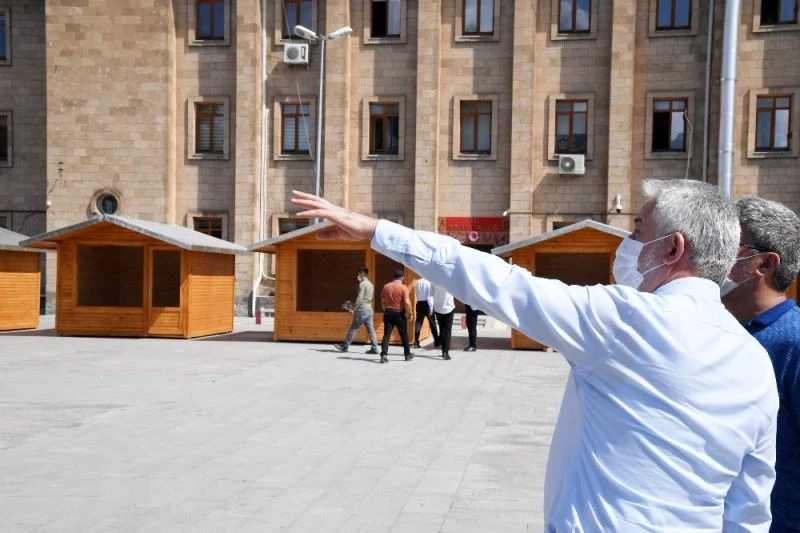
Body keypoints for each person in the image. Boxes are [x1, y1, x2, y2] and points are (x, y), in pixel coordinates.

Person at [292, 180, 778, 531]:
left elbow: (500, 283)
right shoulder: (754, 361)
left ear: (672, 248)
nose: (627, 243)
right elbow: (749, 509)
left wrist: (378, 229)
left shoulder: (626, 322)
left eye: (636, 228)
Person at [721, 196, 800, 531]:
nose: (712, 254)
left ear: (765, 264)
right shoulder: (718, 333)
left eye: (726, 244)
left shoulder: (792, 342)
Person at [334, 266, 379, 355]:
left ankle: (345, 346)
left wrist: (353, 308)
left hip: (362, 310)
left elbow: (360, 297)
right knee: (371, 330)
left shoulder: (362, 284)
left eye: (359, 273)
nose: (358, 275)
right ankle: (374, 348)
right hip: (369, 309)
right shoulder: (371, 284)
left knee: (353, 328)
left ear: (362, 273)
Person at [379, 269, 414, 363]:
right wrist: (410, 313)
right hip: (399, 313)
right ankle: (407, 355)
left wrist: (384, 309)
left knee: (386, 335)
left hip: (388, 313)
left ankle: (383, 355)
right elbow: (407, 302)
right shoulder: (403, 288)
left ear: (394, 277)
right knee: (404, 335)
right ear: (402, 277)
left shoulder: (386, 286)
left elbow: (382, 300)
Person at [412, 277, 440, 348]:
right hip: (427, 303)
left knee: (419, 322)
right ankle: (436, 341)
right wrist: (431, 307)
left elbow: (417, 293)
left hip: (419, 303)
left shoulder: (417, 282)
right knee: (432, 323)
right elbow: (429, 296)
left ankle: (416, 342)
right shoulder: (429, 282)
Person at [431, 283, 455, 360]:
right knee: (447, 331)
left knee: (442, 328)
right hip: (448, 307)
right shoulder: (449, 281)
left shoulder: (433, 280)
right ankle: (445, 352)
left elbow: (431, 294)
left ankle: (443, 350)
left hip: (438, 307)